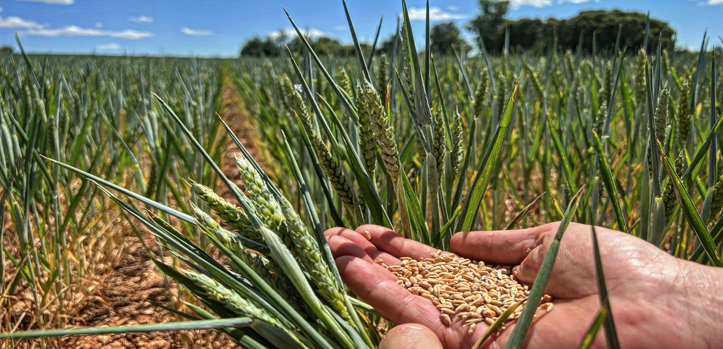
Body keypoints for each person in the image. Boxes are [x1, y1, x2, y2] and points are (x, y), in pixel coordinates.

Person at [324, 222, 723, 349]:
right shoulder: (463, 286)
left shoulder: (485, 291)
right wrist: (682, 297)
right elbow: (464, 288)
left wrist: (678, 294)